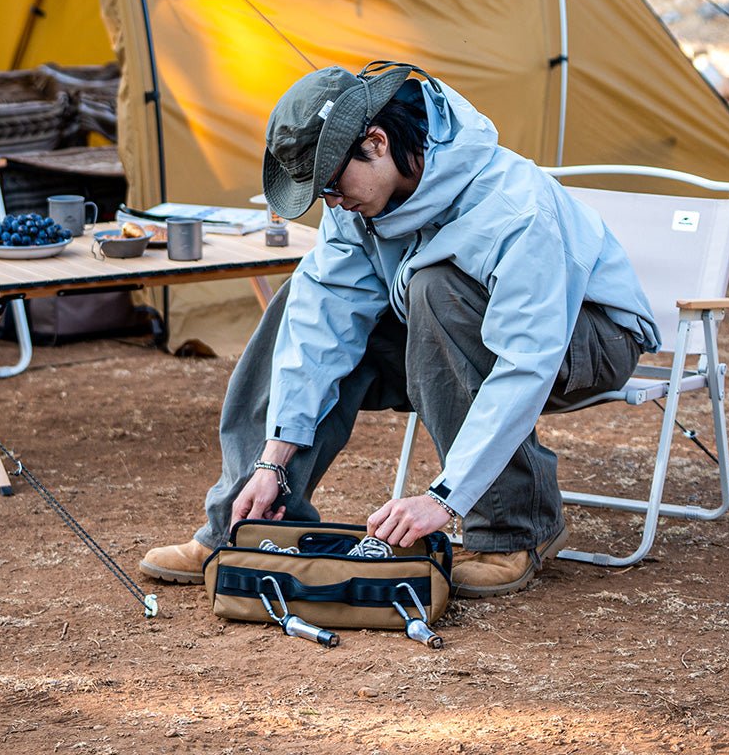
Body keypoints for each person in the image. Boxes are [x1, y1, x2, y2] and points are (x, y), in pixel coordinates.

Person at [140, 60, 660, 597]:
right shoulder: (356, 198)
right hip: (450, 331)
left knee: (437, 286)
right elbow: (320, 328)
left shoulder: (512, 208)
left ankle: (512, 531)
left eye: (334, 186)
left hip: (588, 338)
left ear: (378, 142)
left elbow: (527, 362)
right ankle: (249, 522)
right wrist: (275, 456)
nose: (333, 204)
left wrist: (444, 498)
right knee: (302, 302)